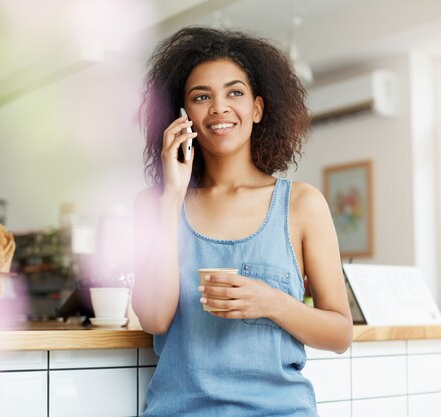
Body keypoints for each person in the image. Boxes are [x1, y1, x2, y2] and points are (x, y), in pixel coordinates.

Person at [132, 26, 352, 417]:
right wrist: (172, 197)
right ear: (182, 117)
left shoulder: (302, 204)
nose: (219, 107)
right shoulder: (156, 204)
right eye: (201, 97)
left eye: (235, 92)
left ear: (258, 108)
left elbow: (339, 333)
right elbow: (154, 317)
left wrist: (271, 302)